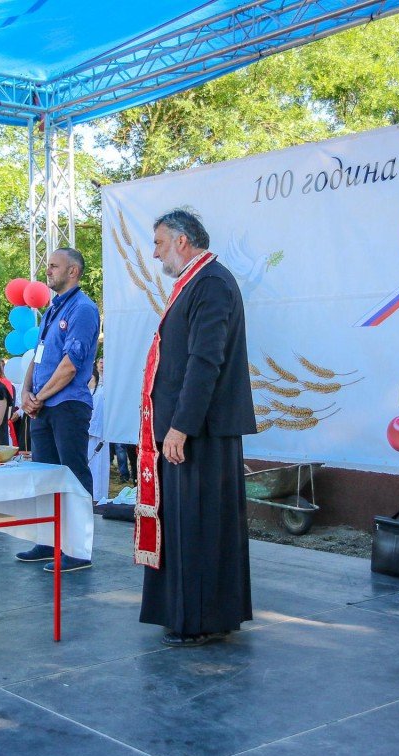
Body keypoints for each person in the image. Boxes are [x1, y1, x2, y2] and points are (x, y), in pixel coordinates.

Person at [137, 209, 255, 647]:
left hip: (199, 433)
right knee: (188, 525)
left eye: (159, 243)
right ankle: (193, 613)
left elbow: (205, 361)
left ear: (182, 241)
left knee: (198, 527)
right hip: (192, 429)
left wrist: (180, 426)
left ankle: (200, 619)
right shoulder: (197, 282)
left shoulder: (211, 283)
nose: (155, 254)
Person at [17, 247, 100, 572]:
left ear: (73, 271)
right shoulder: (52, 310)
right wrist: (25, 392)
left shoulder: (83, 309)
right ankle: (48, 541)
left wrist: (39, 396)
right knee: (44, 475)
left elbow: (70, 365)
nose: (47, 271)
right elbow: (37, 357)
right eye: (48, 265)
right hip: (43, 407)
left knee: (73, 474)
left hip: (67, 405)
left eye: (54, 266)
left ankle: (78, 550)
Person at [87, 357, 109, 503]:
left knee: (101, 464)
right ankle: (93, 493)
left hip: (102, 430)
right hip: (90, 429)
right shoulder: (92, 383)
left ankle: (100, 494)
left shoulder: (107, 385)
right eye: (100, 362)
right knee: (91, 462)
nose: (102, 365)